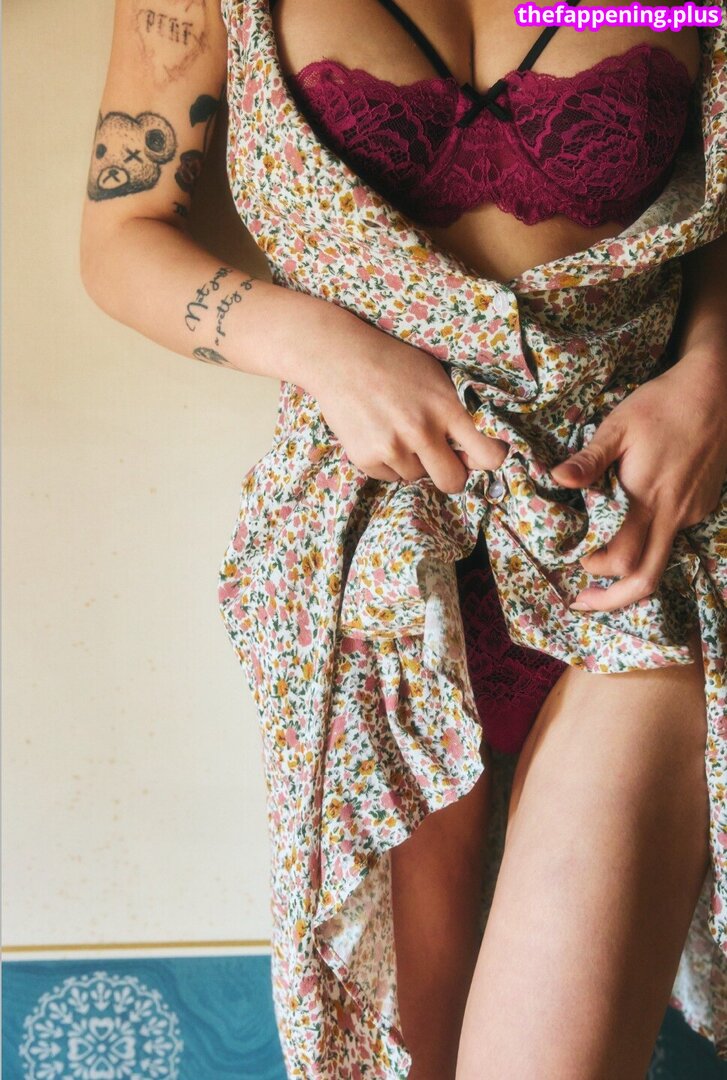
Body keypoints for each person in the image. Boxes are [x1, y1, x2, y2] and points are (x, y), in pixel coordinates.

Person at [80, 1, 727, 1077]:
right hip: (371, 559)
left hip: (631, 530)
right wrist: (323, 349)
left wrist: (712, 374)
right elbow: (120, 237)